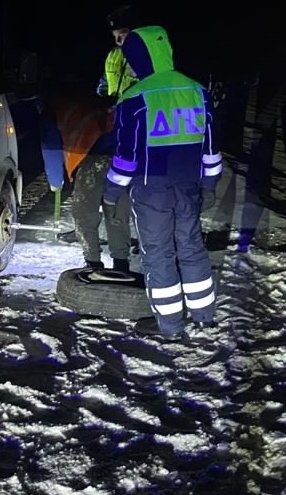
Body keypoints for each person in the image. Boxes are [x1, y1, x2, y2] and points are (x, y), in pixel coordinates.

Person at [102, 25, 223, 339]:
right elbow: (211, 148)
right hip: (190, 186)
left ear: (138, 58)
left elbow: (126, 160)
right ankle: (204, 316)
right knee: (192, 247)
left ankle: (169, 325)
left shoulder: (134, 98)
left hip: (151, 189)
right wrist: (209, 186)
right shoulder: (198, 91)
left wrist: (112, 194)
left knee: (157, 253)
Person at [38, 81, 134, 273]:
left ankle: (93, 263)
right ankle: (121, 264)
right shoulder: (91, 101)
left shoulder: (53, 111)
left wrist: (55, 181)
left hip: (90, 160)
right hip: (119, 160)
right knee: (116, 212)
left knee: (84, 213)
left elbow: (50, 145)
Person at [96, 5, 139, 99]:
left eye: (122, 34)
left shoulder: (145, 56)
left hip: (136, 111)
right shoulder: (113, 54)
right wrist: (101, 97)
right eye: (114, 35)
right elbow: (105, 81)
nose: (118, 40)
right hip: (114, 112)